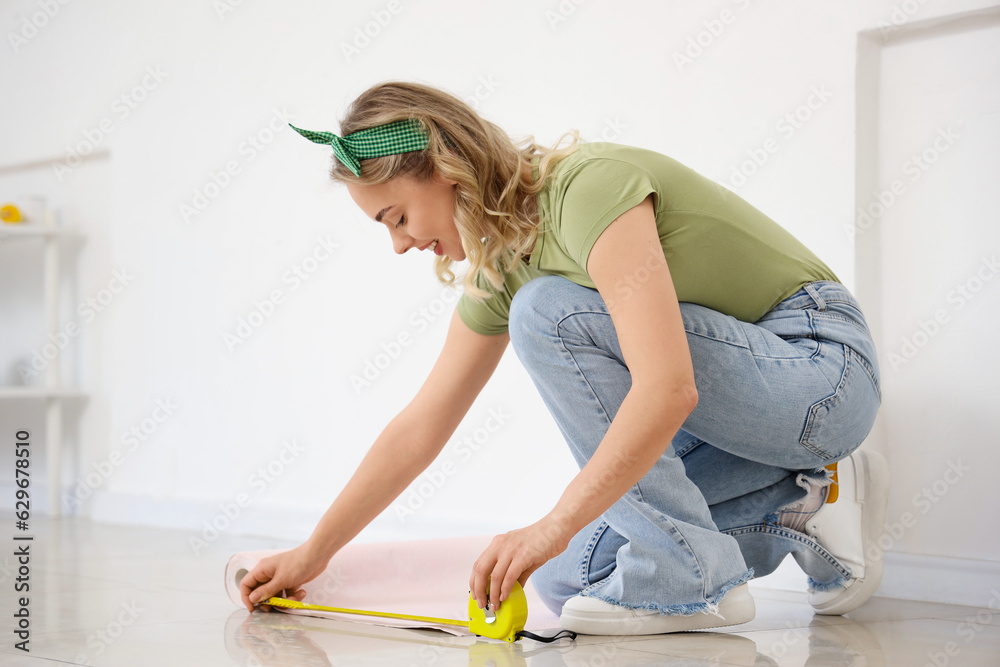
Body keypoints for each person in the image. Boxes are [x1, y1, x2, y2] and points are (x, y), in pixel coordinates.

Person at [238, 80, 889, 635]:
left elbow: (667, 388)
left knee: (547, 311)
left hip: (821, 374)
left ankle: (697, 576)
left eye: (396, 217)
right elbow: (420, 427)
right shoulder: (503, 267)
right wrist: (311, 553)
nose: (400, 245)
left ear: (443, 167)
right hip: (749, 429)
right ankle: (805, 496)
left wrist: (553, 520)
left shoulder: (587, 188)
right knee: (569, 576)